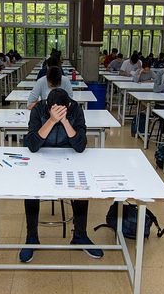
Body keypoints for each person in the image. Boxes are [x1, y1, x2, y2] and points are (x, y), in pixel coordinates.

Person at [20, 88, 102, 262]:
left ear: (68, 106)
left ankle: (80, 235)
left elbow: (80, 146)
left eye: (61, 110)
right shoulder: (39, 109)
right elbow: (33, 145)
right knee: (30, 188)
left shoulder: (75, 110)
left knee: (81, 188)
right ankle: (31, 237)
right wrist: (51, 120)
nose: (56, 113)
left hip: (69, 157)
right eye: (53, 110)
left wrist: (65, 121)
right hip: (41, 156)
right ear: (48, 107)